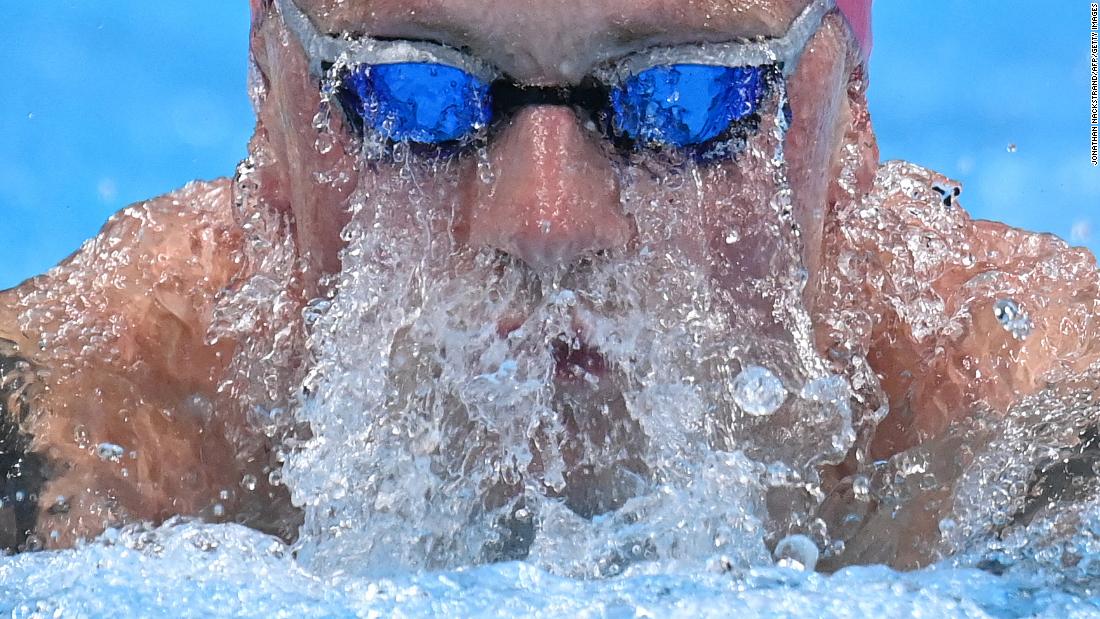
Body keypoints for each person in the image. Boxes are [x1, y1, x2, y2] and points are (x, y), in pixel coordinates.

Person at [0, 0, 1096, 571]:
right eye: (409, 97)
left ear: (843, 119)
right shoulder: (95, 422)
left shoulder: (1016, 417)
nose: (543, 226)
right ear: (272, 105)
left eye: (685, 100)